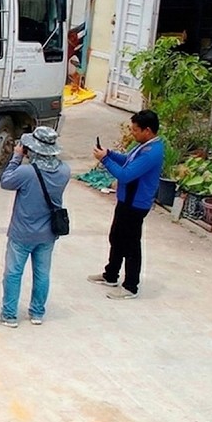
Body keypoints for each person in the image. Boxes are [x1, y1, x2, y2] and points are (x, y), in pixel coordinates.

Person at [0, 126, 70, 328]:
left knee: (13, 273)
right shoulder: (64, 171)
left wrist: (16, 157)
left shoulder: (26, 172)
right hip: (48, 233)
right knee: (42, 273)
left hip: (22, 233)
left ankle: (9, 315)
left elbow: (6, 181)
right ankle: (37, 313)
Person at [89, 109, 164, 299]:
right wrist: (110, 154)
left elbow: (125, 174)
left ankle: (131, 286)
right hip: (126, 200)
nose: (133, 133)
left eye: (135, 130)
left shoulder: (151, 152)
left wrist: (104, 160)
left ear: (147, 130)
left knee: (131, 245)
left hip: (135, 204)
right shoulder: (143, 145)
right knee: (116, 237)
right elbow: (127, 161)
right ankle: (111, 274)